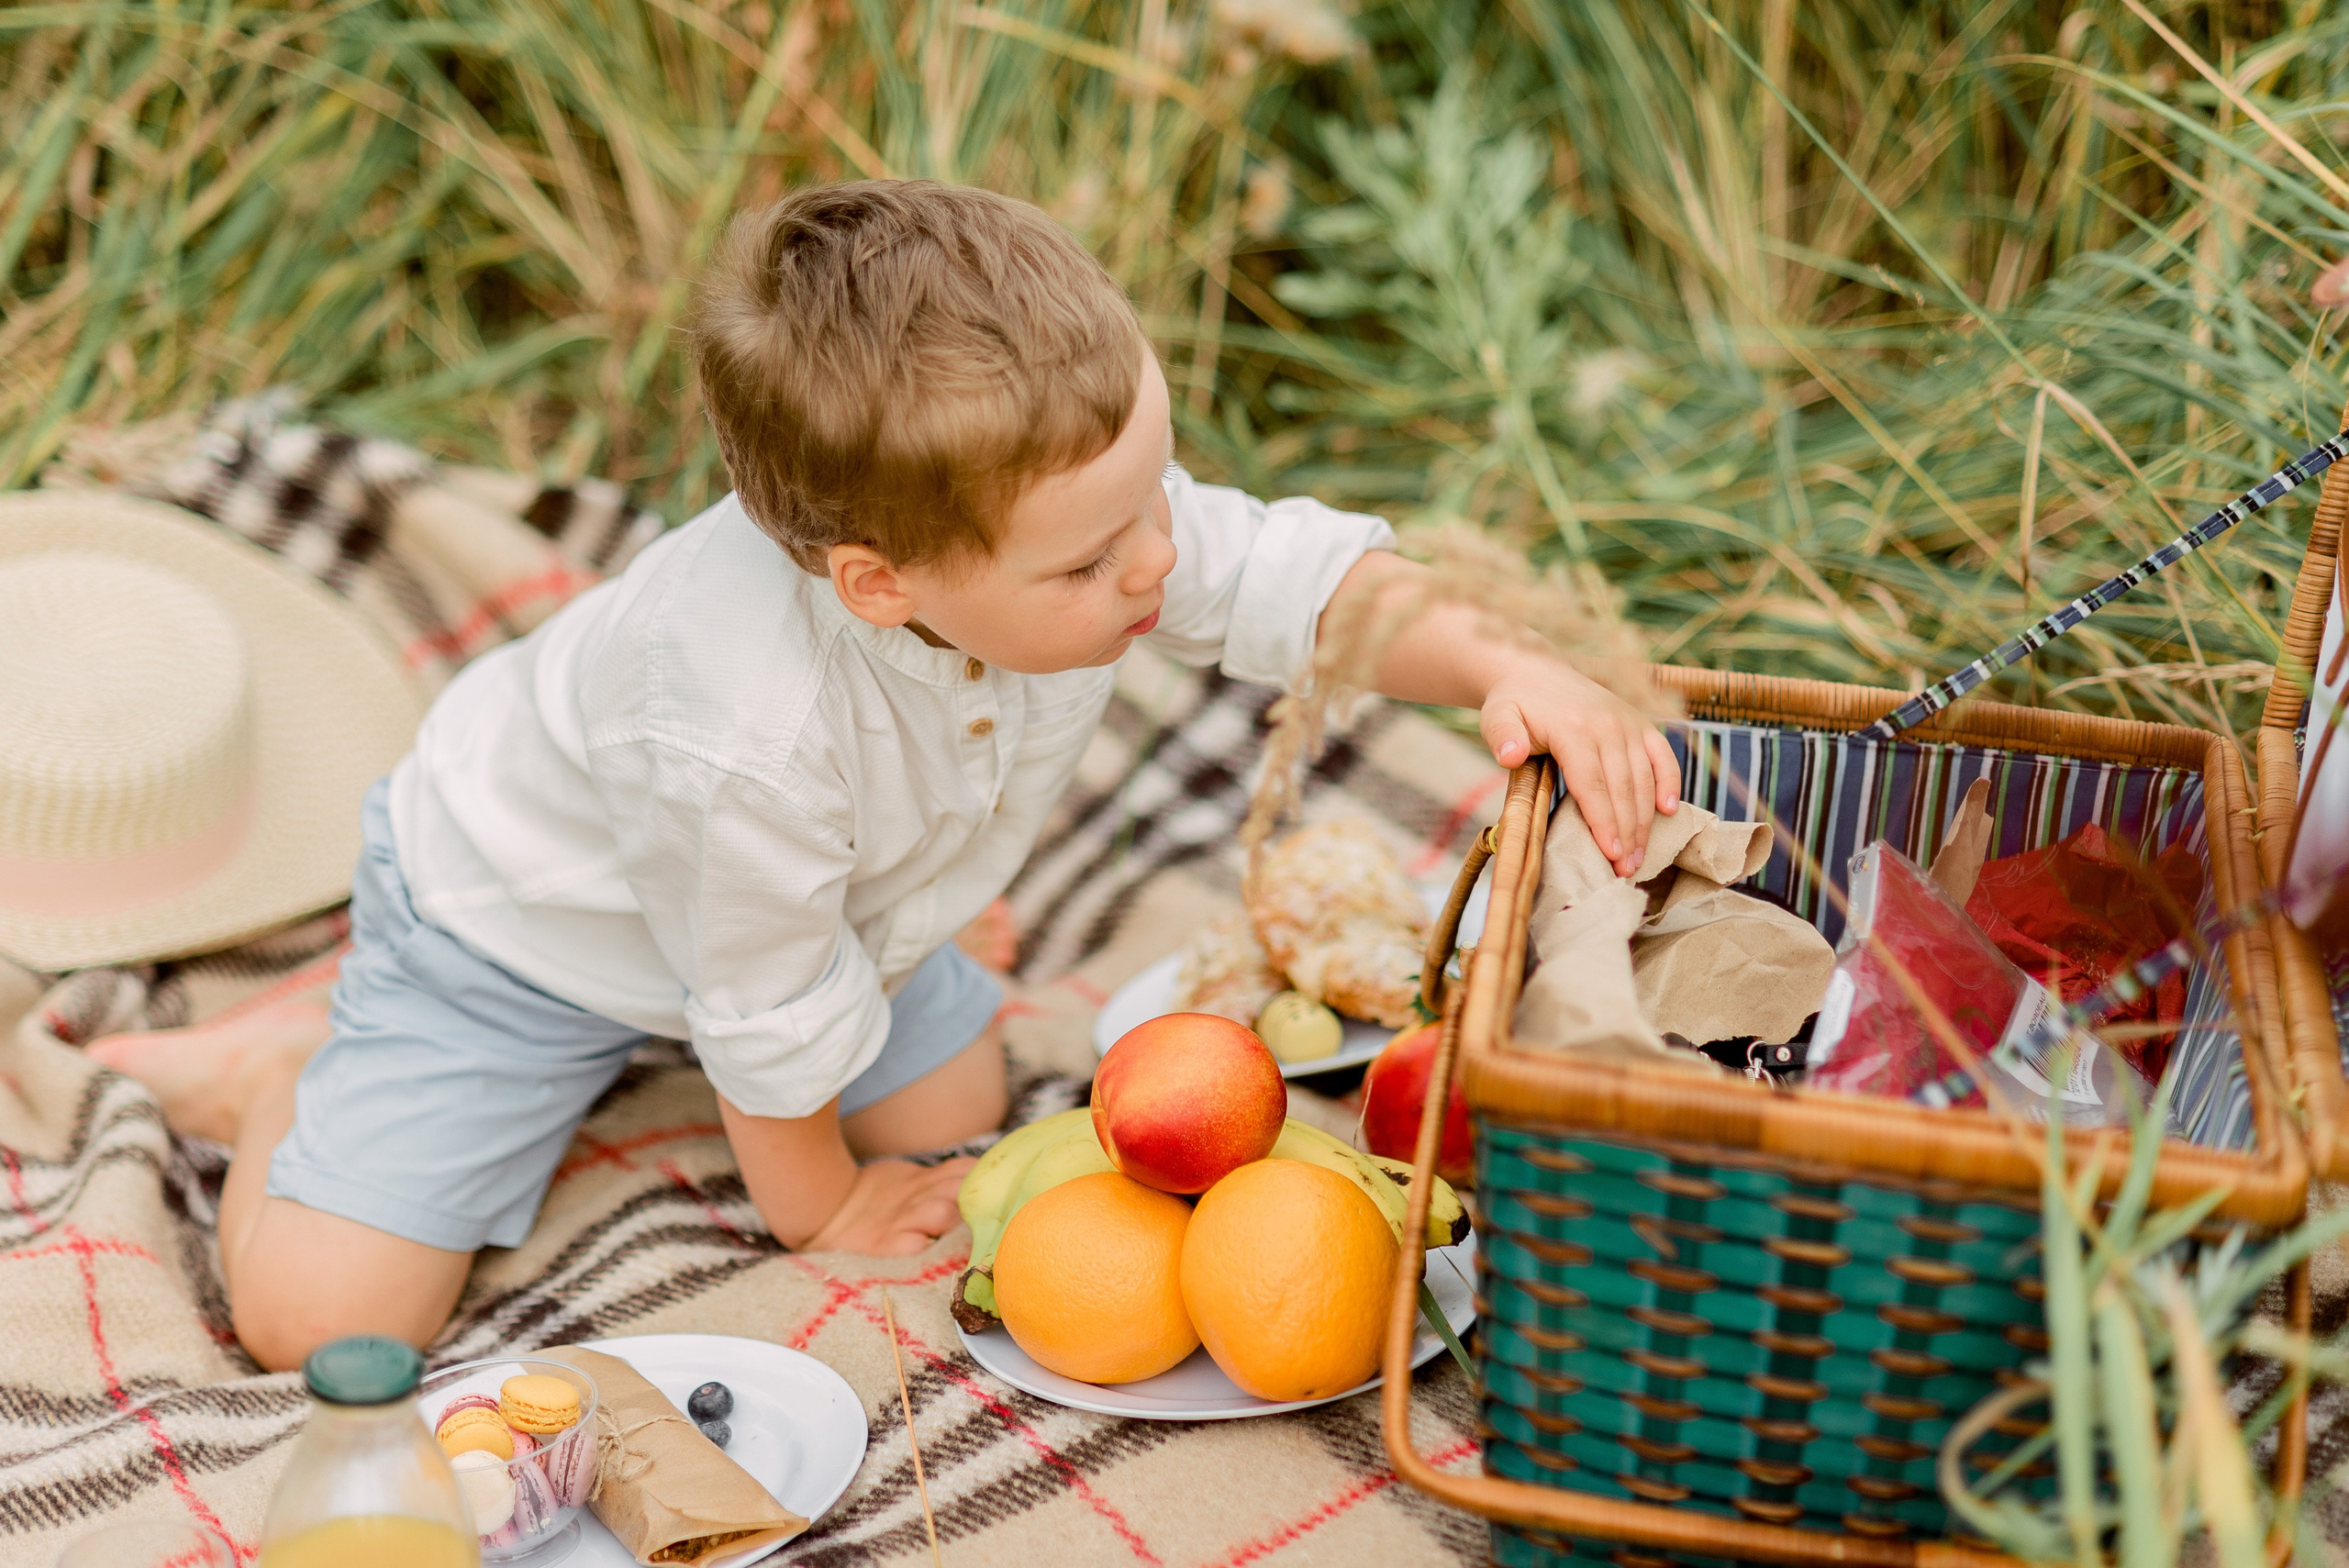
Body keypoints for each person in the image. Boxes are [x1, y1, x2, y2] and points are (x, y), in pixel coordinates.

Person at [95, 180, 1680, 1371]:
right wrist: (818, 1214)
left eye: (1157, 490)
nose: (1155, 564)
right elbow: (768, 1002)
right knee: (324, 1325)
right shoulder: (746, 731)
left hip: (827, 917)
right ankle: (296, 1072)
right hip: (517, 931)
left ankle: (762, 1041)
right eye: (1092, 557)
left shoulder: (1077, 519)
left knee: (957, 1107)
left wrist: (1499, 662)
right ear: (879, 583)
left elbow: (1287, 580)